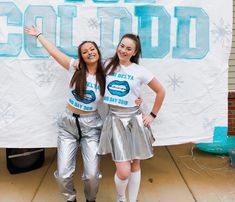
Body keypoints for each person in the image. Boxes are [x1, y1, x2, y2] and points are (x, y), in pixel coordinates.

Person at [24, 25, 106, 202]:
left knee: (92, 175)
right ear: (81, 56)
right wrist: (39, 35)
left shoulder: (106, 75)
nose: (89, 52)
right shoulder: (75, 68)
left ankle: (91, 199)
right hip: (68, 124)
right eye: (85, 51)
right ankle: (71, 199)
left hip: (91, 126)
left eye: (92, 49)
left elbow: (126, 83)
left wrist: (137, 101)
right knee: (62, 174)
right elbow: (54, 53)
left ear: (98, 52)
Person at [98, 33, 165, 202]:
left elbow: (161, 91)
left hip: (135, 120)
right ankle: (121, 198)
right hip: (115, 119)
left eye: (129, 48)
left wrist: (152, 115)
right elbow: (87, 67)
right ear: (118, 46)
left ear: (134, 52)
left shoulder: (139, 71)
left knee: (135, 164)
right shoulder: (106, 65)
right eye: (122, 46)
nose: (124, 50)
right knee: (123, 170)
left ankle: (132, 200)